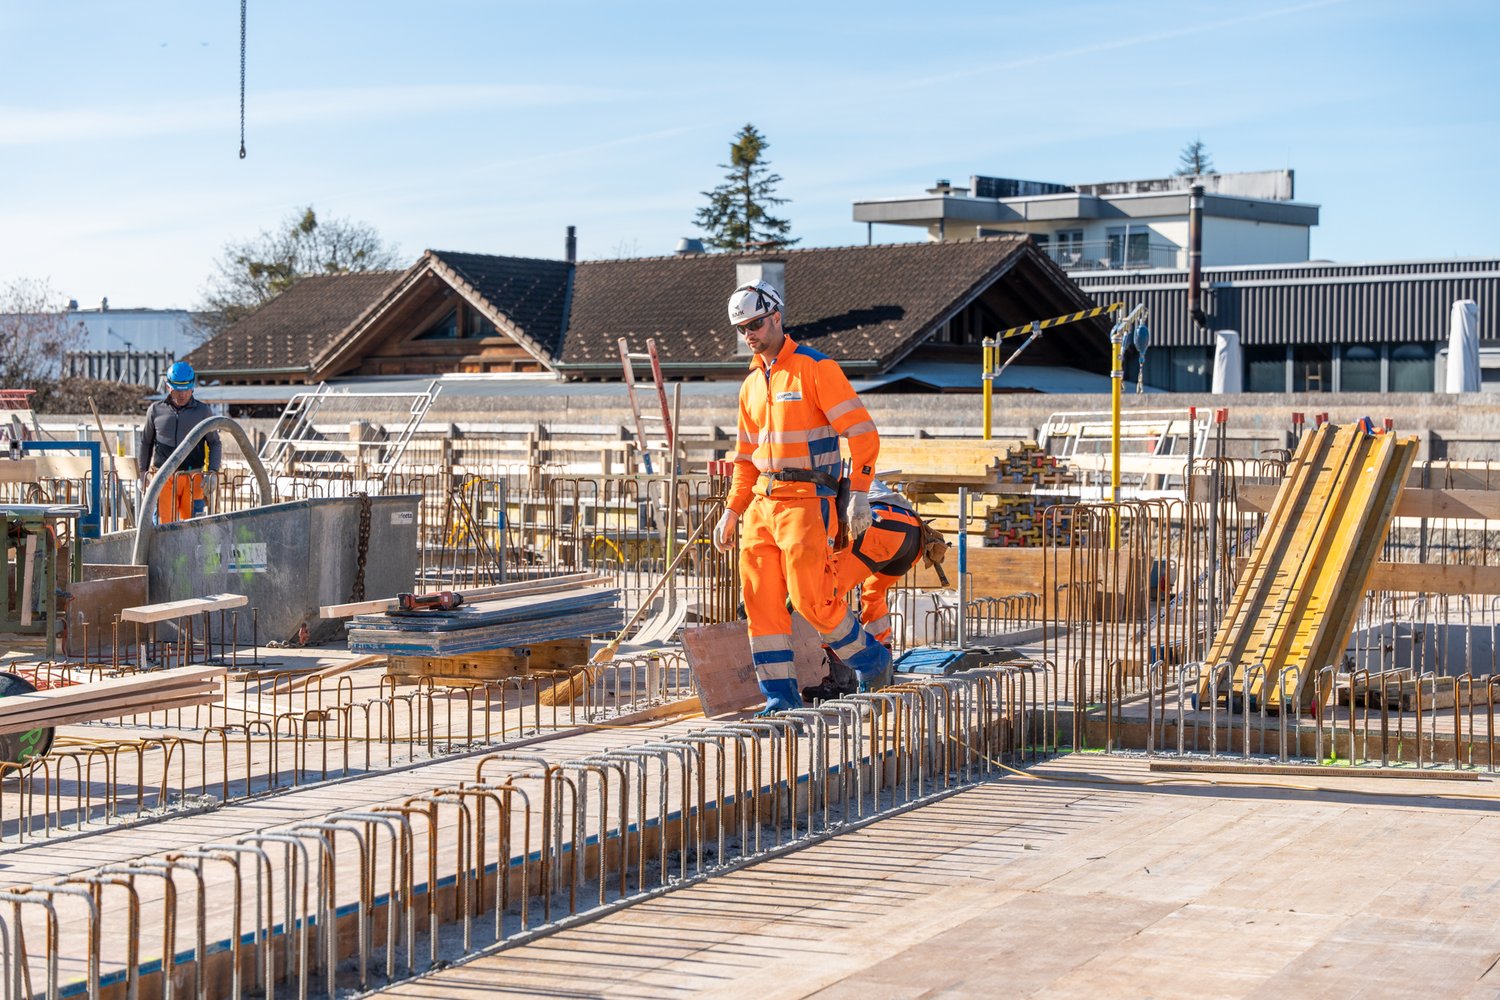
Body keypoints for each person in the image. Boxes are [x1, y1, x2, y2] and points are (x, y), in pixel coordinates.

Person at [713, 279, 893, 715]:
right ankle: (781, 699)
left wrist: (859, 493)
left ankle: (873, 661)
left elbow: (863, 434)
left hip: (807, 502)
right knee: (760, 604)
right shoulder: (750, 385)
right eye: (741, 328)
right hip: (762, 504)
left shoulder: (815, 368)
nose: (749, 334)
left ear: (776, 317)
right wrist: (732, 510)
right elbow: (745, 458)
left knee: (812, 600)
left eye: (755, 324)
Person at [804, 479, 950, 701]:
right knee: (873, 594)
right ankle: (883, 677)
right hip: (912, 533)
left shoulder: (817, 471)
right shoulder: (856, 470)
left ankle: (841, 682)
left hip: (878, 523)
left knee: (827, 597)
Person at [140, 361, 221, 524]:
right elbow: (146, 442)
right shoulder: (155, 410)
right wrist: (142, 472)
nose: (182, 395)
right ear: (168, 387)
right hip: (162, 478)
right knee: (162, 527)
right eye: (178, 390)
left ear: (193, 388)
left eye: (186, 390)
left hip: (193, 478)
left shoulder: (203, 411)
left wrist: (213, 472)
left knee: (193, 528)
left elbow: (214, 443)